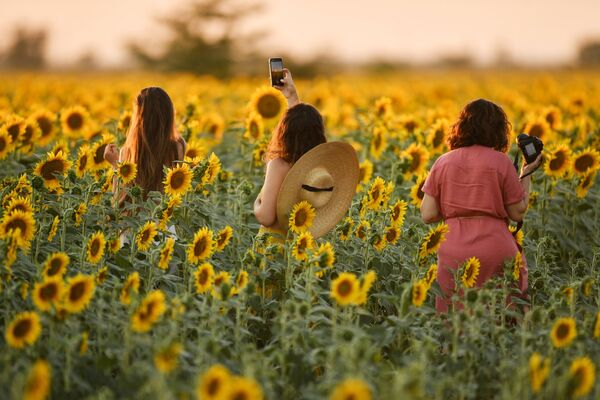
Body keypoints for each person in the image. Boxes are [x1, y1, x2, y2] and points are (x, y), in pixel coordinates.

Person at [420, 98, 542, 313]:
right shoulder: (501, 161)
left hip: (453, 248)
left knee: (454, 318)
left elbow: (428, 214)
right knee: (500, 315)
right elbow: (517, 212)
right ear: (498, 130)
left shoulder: (443, 162)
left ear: (461, 127)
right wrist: (526, 172)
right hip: (495, 247)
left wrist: (457, 207)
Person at [253, 69, 327, 228]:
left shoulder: (279, 165)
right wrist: (292, 96)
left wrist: (257, 204)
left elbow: (266, 217)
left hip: (277, 246)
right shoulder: (318, 167)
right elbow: (303, 126)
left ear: (283, 132)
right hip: (304, 245)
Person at [104, 86, 186, 203]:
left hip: (137, 220)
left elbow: (118, 203)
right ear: (169, 114)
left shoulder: (128, 152)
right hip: (163, 218)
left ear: (139, 118)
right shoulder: (178, 147)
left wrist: (116, 165)